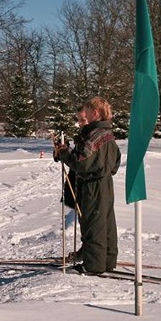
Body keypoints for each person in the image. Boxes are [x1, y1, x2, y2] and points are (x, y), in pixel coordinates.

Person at [54, 96, 121, 274]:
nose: (81, 122)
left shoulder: (95, 134)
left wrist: (64, 152)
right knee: (105, 222)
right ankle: (107, 259)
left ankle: (93, 265)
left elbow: (81, 161)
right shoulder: (107, 133)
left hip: (93, 185)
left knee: (93, 223)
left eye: (86, 115)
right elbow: (116, 162)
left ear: (95, 113)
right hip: (105, 183)